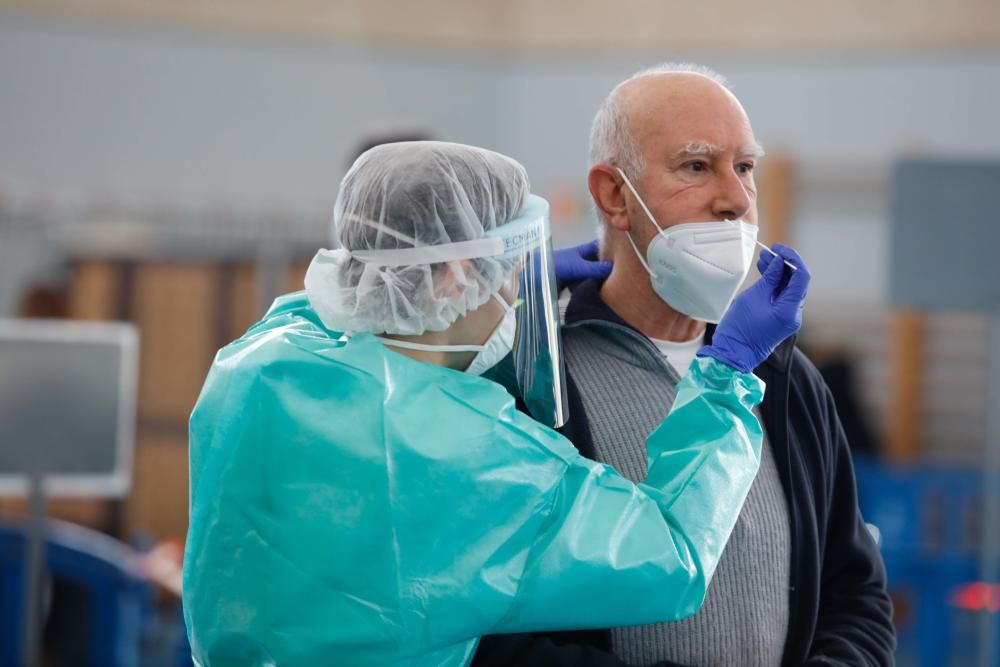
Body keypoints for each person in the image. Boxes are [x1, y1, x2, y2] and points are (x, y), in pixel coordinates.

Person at [182, 141, 809, 667]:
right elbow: (673, 556)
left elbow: (344, 312)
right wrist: (723, 378)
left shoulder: (260, 366)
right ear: (457, 273)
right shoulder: (475, 456)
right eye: (510, 269)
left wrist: (471, 279)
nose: (517, 290)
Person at [473, 64, 895, 666]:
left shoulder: (782, 378)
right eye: (696, 166)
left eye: (744, 167)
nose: (735, 199)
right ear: (614, 195)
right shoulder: (531, 376)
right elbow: (495, 629)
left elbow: (856, 592)